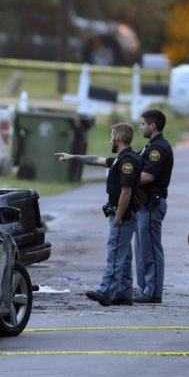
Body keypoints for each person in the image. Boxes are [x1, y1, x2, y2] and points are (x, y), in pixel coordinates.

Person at [56, 123, 141, 306]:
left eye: (111, 135)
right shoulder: (121, 159)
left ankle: (106, 291)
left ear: (118, 138)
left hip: (123, 216)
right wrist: (74, 157)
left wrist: (118, 216)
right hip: (122, 214)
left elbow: (126, 192)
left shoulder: (127, 161)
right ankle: (123, 293)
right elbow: (97, 160)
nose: (110, 139)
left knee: (115, 253)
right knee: (124, 256)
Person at [134, 109, 173, 304]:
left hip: (151, 204)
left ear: (153, 126)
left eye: (143, 124)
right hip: (144, 205)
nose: (140, 127)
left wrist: (124, 179)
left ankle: (153, 291)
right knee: (141, 249)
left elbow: (148, 176)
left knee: (150, 249)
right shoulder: (150, 146)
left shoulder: (158, 149)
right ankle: (144, 288)